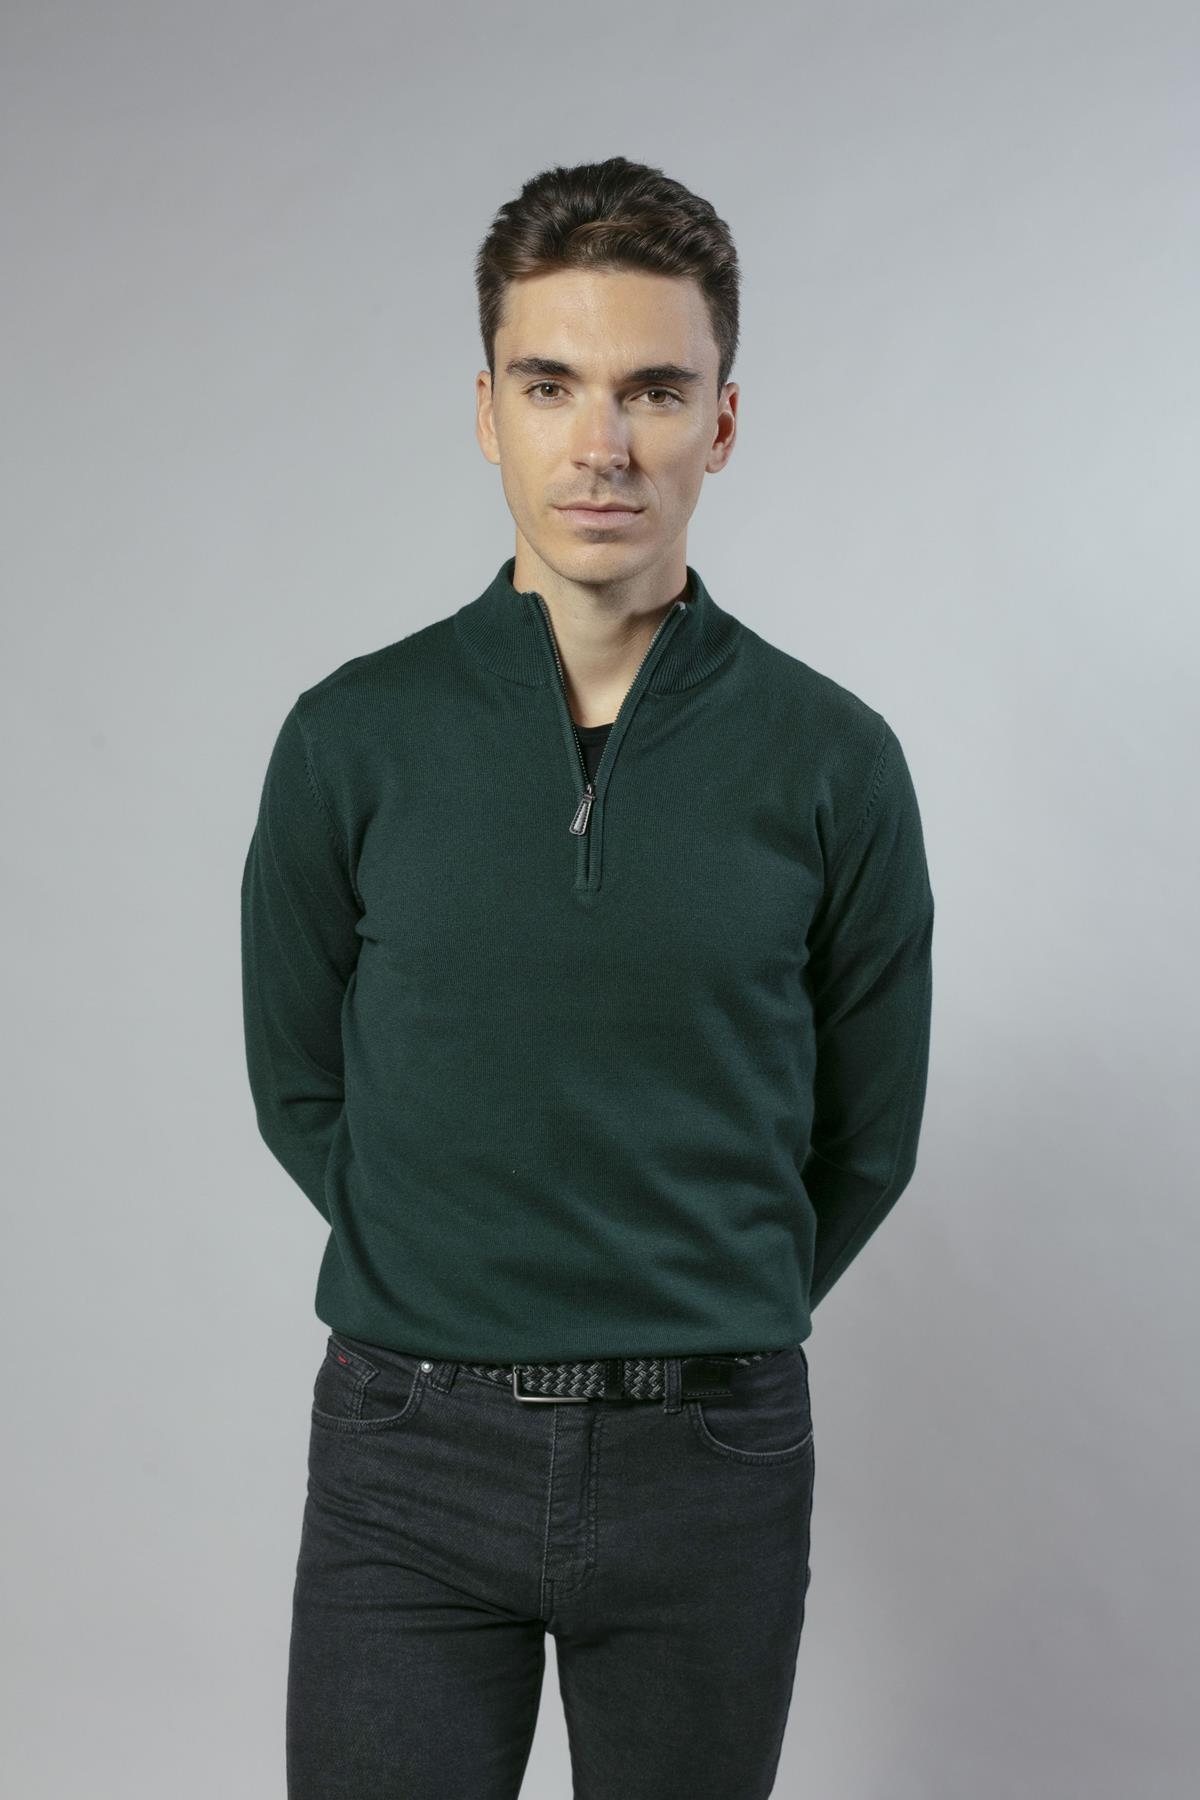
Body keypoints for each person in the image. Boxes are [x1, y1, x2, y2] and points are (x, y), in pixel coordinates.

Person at [240, 153, 935, 1800]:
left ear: (723, 421)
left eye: (654, 391)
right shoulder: (352, 737)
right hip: (409, 1453)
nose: (601, 444)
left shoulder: (833, 759)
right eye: (551, 385)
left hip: (713, 1456)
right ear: (487, 412)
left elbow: (868, 1135)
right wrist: (451, 1265)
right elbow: (299, 1080)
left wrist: (701, 1302)